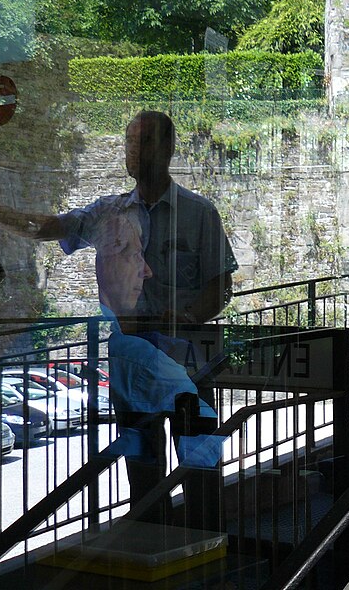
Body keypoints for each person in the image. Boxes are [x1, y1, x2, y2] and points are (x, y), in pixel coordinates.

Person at [0, 110, 237, 327]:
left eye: (145, 141)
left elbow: (221, 287)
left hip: (183, 362)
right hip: (125, 364)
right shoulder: (106, 213)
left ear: (168, 148)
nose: (134, 150)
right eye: (130, 141)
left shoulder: (200, 214)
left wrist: (187, 319)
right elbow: (46, 228)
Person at [94, 211, 223, 529]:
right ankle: (159, 531)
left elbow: (219, 289)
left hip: (179, 353)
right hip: (156, 351)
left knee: (187, 454)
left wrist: (188, 317)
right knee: (148, 458)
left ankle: (195, 535)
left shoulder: (191, 217)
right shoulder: (135, 225)